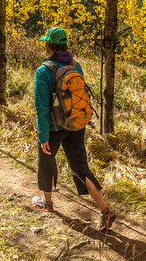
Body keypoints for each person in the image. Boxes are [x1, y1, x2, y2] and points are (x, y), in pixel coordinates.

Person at [32, 26, 116, 232]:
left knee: (47, 160)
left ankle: (47, 202)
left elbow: (42, 107)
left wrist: (43, 135)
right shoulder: (75, 65)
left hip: (54, 127)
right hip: (77, 124)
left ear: (50, 46)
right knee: (80, 167)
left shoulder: (43, 71)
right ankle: (104, 210)